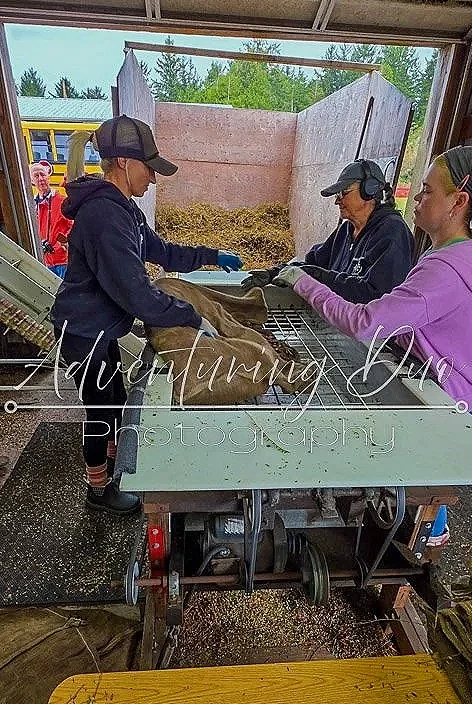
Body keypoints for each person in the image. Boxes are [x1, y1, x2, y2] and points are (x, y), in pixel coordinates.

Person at [274, 146, 472, 547]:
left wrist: (302, 282)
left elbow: (367, 321)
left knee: (426, 483)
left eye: (428, 191)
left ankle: (426, 536)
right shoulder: (450, 253)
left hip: (443, 401)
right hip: (427, 375)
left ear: (459, 202)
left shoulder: (445, 267)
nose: (416, 197)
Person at [51, 114, 243, 516]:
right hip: (84, 331)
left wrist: (210, 256)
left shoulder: (125, 210)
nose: (153, 179)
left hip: (101, 327)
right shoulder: (104, 216)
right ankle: (98, 489)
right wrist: (190, 317)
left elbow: (161, 251)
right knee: (100, 408)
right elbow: (137, 294)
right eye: (149, 168)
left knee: (116, 398)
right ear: (123, 162)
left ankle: (119, 466)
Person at [241, 159, 415, 303]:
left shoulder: (392, 232)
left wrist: (315, 276)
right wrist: (275, 272)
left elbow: (376, 295)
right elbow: (314, 264)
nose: (337, 201)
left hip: (371, 339)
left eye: (344, 193)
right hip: (337, 323)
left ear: (369, 191)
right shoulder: (346, 230)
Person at [30, 161, 72, 278]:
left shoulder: (62, 201)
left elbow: (73, 225)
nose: (40, 179)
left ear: (48, 176)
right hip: (45, 261)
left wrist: (62, 243)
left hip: (63, 260)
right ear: (32, 181)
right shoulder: (32, 205)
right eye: (36, 176)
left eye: (42, 174)